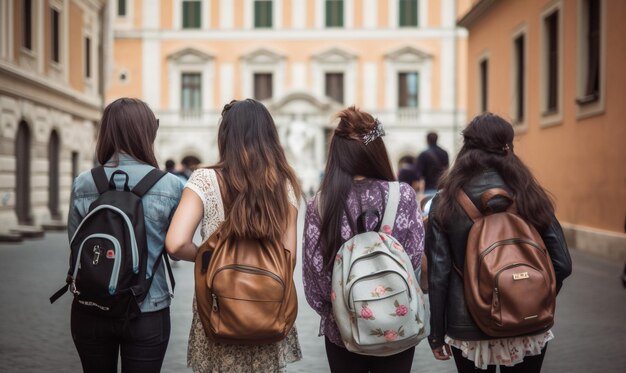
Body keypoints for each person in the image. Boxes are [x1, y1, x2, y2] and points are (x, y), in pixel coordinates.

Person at [426, 113, 572, 372]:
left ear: (467, 147)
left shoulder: (445, 200)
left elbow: (439, 275)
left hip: (468, 325)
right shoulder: (530, 193)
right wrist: (531, 296)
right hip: (528, 321)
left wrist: (437, 334)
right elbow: (562, 263)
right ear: (508, 146)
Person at [164, 99, 303, 372]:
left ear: (226, 135)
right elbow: (290, 258)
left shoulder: (204, 179)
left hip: (219, 305)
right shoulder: (284, 183)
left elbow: (176, 243)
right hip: (267, 307)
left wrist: (211, 259)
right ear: (270, 136)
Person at [303, 106, 424, 372]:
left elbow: (314, 277)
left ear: (335, 153)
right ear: (377, 151)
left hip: (343, 330)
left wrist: (338, 310)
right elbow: (414, 257)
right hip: (397, 322)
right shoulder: (402, 196)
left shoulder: (321, 204)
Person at [67, 97, 183, 372]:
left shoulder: (84, 182)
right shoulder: (168, 185)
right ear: (147, 133)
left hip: (90, 304)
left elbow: (75, 244)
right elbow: (176, 247)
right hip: (147, 306)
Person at [414, 131, 449, 197]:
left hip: (429, 189)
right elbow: (446, 170)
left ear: (427, 140)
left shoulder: (423, 154)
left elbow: (418, 174)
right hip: (442, 189)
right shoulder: (444, 153)